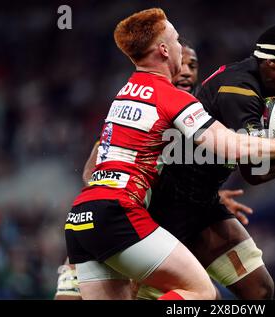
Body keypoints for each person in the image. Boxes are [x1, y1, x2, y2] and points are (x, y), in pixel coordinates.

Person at [64, 8, 275, 300]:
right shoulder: (173, 98)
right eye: (178, 39)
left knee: (254, 289)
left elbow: (94, 166)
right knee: (202, 293)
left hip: (81, 216)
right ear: (165, 50)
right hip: (122, 214)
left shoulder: (123, 95)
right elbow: (233, 145)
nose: (183, 49)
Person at [55, 38, 252, 300]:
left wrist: (208, 200)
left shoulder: (196, 118)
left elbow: (196, 176)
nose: (185, 70)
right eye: (180, 63)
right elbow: (91, 173)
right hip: (122, 224)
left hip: (144, 228)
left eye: (192, 65)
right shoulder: (143, 111)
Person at [146, 23, 275, 299]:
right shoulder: (240, 91)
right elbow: (253, 171)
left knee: (258, 289)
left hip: (201, 203)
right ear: (272, 63)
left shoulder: (251, 83)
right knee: (199, 296)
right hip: (169, 212)